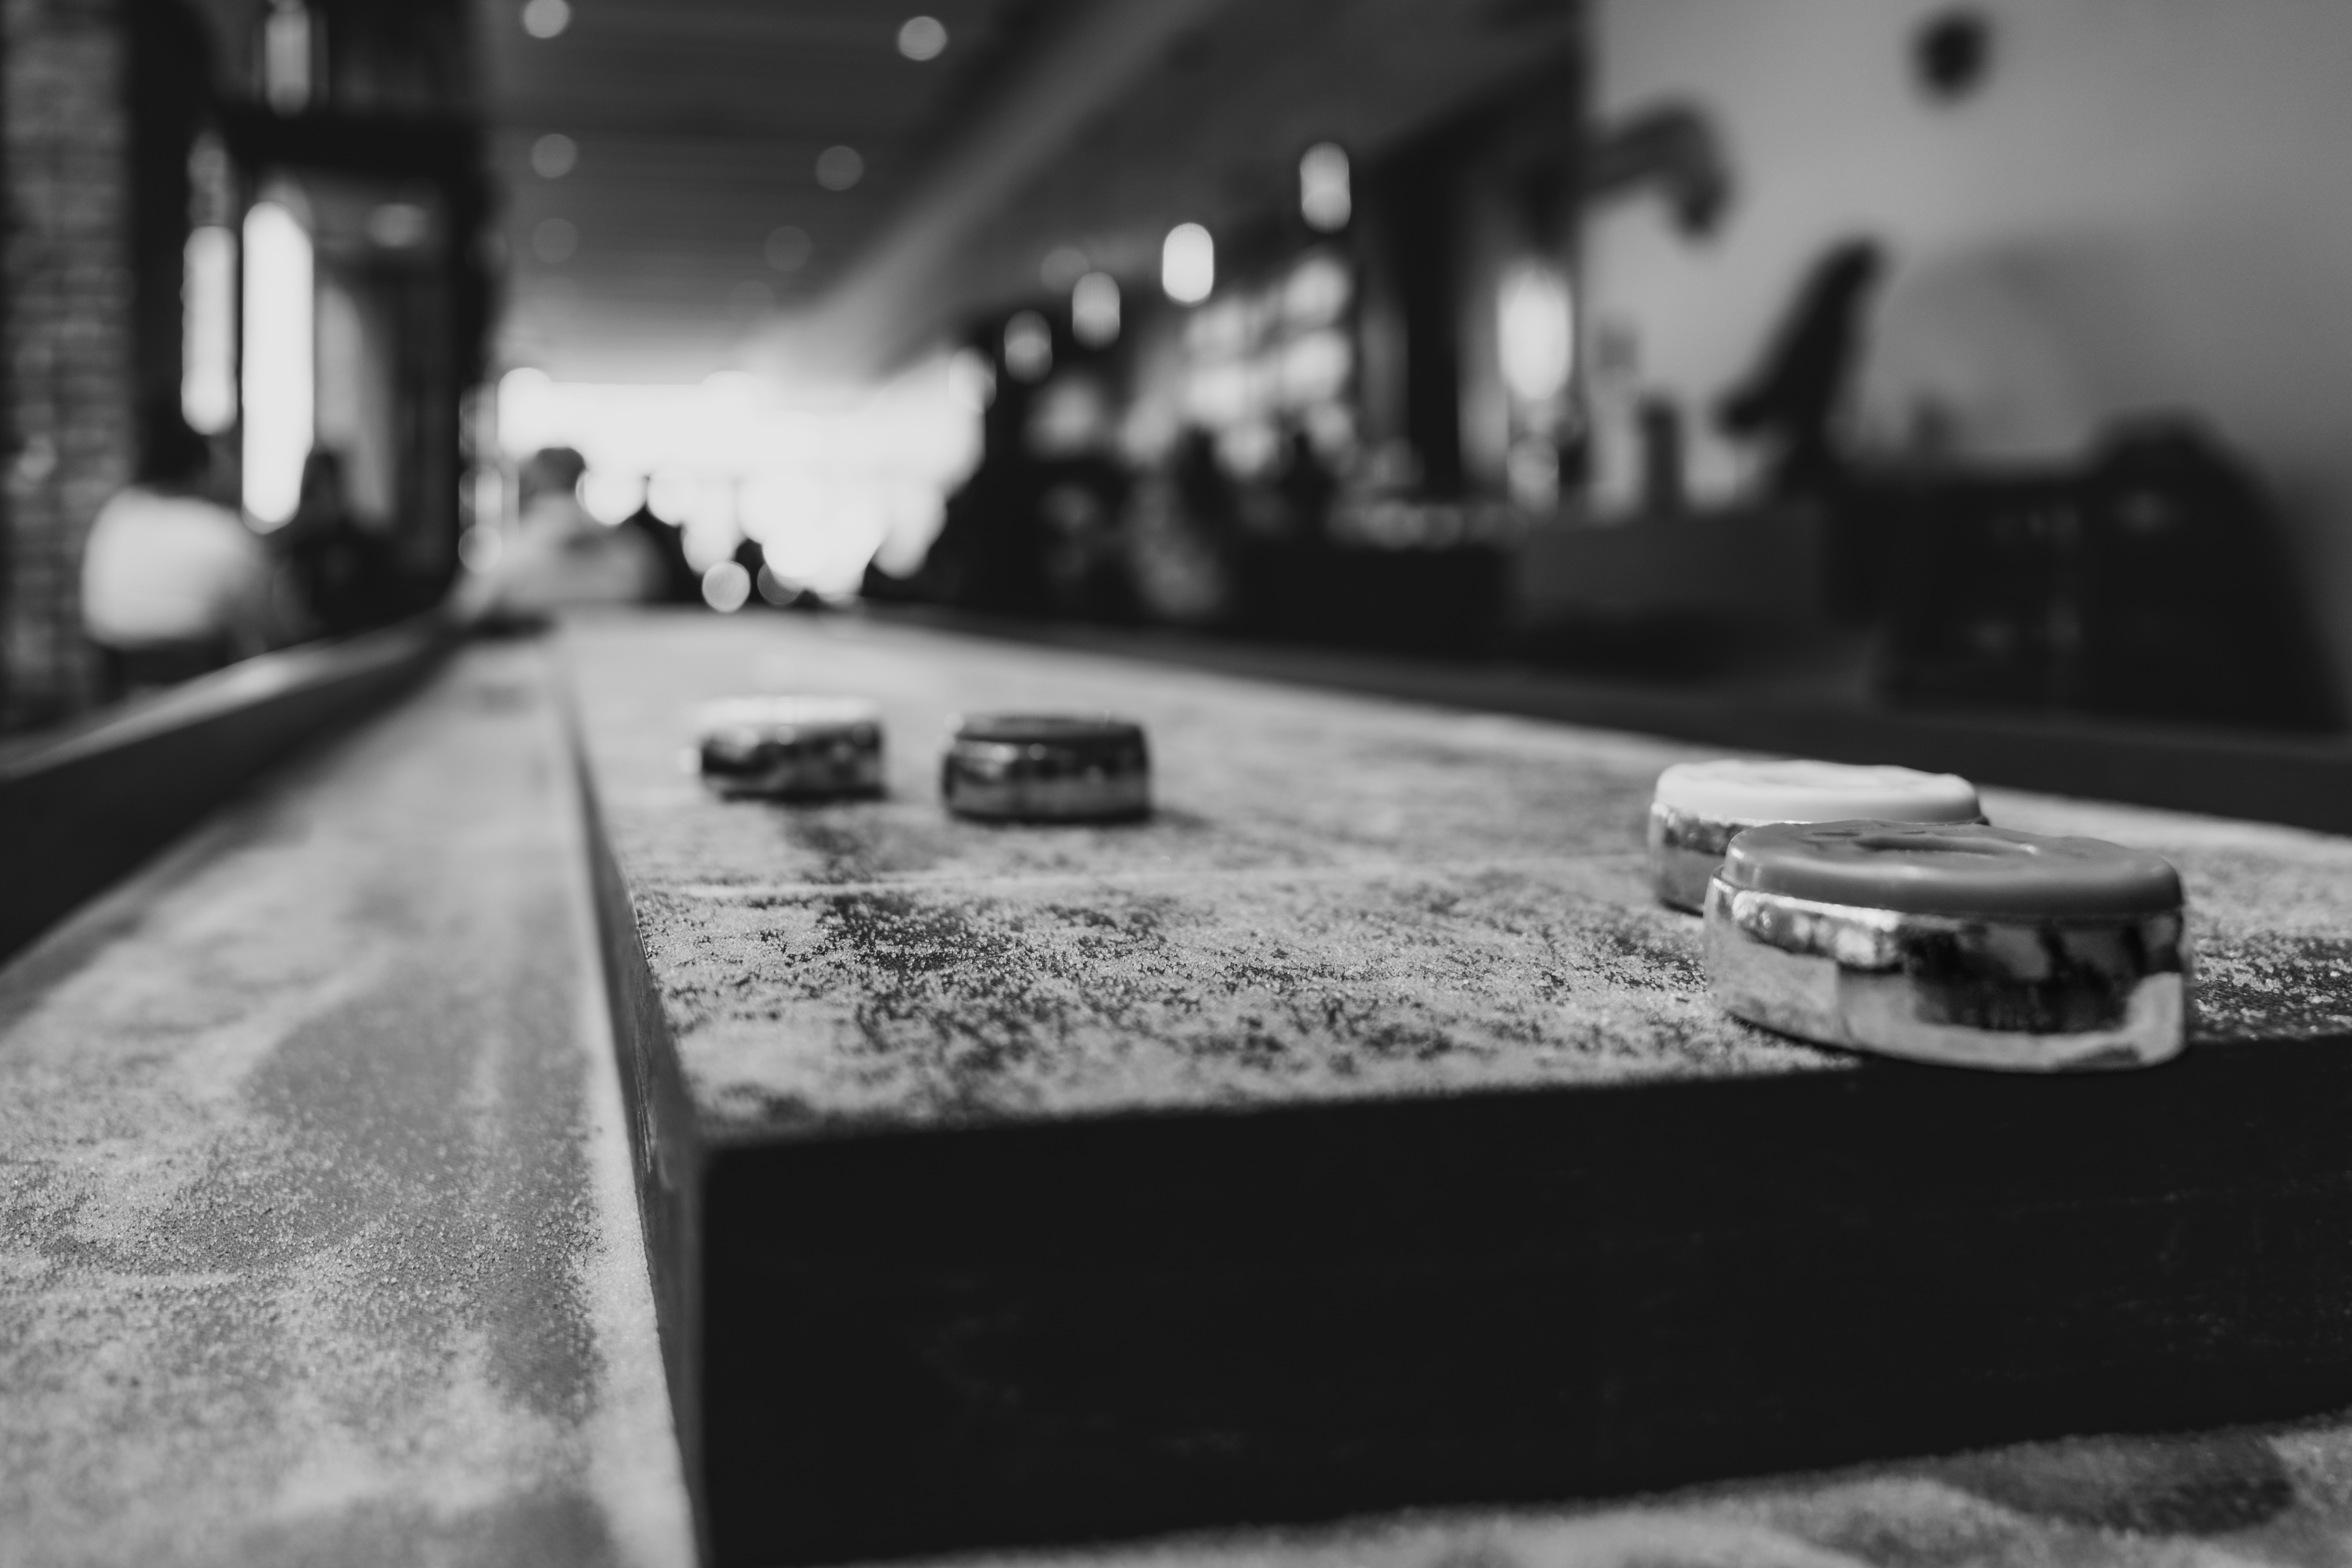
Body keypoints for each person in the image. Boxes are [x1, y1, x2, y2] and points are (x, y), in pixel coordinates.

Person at [81, 413, 272, 694]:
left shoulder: (116, 514)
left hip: (116, 691)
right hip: (203, 697)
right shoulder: (220, 532)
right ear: (201, 470)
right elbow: (266, 627)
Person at [474, 447, 664, 622]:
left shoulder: (514, 551)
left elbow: (466, 611)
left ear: (532, 483)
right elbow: (657, 603)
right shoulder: (631, 552)